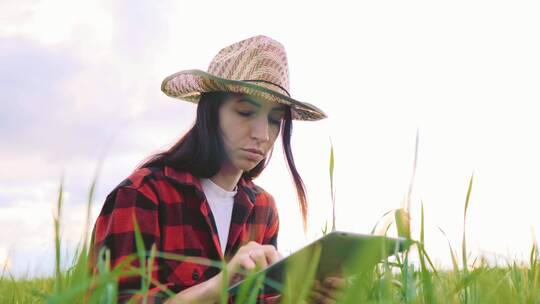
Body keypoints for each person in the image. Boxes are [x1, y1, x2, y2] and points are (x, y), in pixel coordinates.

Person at [91, 35, 343, 303]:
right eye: (245, 112)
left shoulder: (263, 207)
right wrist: (223, 282)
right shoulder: (143, 194)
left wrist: (297, 298)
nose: (262, 134)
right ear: (210, 114)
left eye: (274, 120)